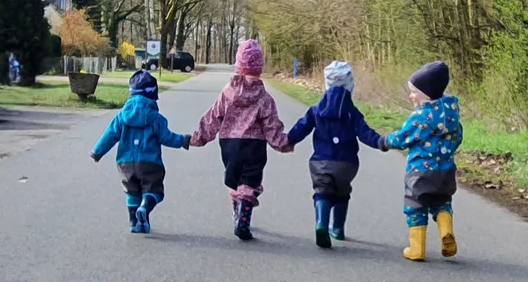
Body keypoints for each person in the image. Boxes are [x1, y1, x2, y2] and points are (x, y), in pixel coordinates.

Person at [190, 40, 291, 241]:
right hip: (254, 145)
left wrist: (200, 137)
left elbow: (214, 116)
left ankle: (238, 213)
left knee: (236, 179)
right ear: (259, 68)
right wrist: (282, 143)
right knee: (250, 181)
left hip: (230, 144)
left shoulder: (227, 93)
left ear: (238, 65)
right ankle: (243, 216)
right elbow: (271, 124)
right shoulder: (264, 97)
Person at [287, 61, 386, 248]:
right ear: (350, 84)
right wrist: (381, 142)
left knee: (322, 192)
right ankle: (338, 229)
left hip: (321, 162)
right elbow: (365, 133)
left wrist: (288, 141)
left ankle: (321, 224)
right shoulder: (352, 112)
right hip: (347, 163)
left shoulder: (316, 110)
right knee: (342, 193)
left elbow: (302, 127)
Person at [379, 61, 462, 261]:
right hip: (446, 171)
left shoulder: (421, 117)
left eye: (415, 92)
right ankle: (446, 232)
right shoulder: (451, 116)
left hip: (420, 173)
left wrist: (385, 141)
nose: (411, 96)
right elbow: (458, 137)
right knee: (442, 203)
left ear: (427, 92)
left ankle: (417, 249)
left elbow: (403, 137)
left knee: (415, 206)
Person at [91, 70, 191, 234]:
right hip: (150, 163)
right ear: (153, 95)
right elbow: (167, 138)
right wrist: (184, 140)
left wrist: (97, 152)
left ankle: (134, 223)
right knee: (154, 191)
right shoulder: (156, 118)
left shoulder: (122, 116)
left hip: (125, 164)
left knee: (132, 192)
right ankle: (145, 207)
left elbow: (110, 134)